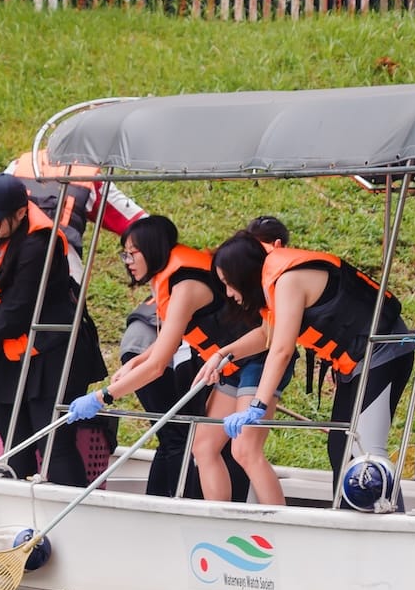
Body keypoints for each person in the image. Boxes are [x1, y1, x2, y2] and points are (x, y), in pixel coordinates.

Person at [65, 216, 286, 504]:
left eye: (133, 253)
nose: (127, 261)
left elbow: (158, 366)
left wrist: (102, 397)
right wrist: (135, 362)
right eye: (125, 254)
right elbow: (165, 345)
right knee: (203, 447)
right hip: (227, 364)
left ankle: (277, 523)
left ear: (154, 249)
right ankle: (218, 518)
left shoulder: (186, 286)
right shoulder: (171, 279)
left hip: (256, 357)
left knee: (244, 449)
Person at [201, 232, 415, 488]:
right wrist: (222, 354)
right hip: (356, 364)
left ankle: (391, 520)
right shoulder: (278, 282)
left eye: (229, 283)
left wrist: (257, 405)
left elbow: (281, 350)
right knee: (340, 450)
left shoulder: (288, 281)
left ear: (243, 274)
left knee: (366, 454)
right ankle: (347, 521)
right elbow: (267, 334)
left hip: (383, 355)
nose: (229, 292)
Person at [0, 174, 107, 487]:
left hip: (51, 348)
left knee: (53, 444)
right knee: (15, 445)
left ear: (19, 212)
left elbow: (18, 311)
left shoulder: (38, 244)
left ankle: (73, 513)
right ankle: (20, 519)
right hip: (8, 351)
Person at [0, 147, 147, 285]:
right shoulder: (88, 174)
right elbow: (133, 219)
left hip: (23, 261)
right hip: (57, 263)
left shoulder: (23, 163)